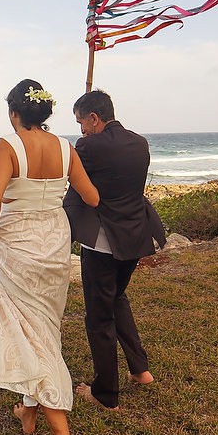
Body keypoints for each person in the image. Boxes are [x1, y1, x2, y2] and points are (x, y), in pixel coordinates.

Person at [0, 78, 100, 435]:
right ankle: (28, 411)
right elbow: (92, 198)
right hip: (54, 242)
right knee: (42, 328)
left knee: (34, 336)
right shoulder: (67, 147)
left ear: (15, 113)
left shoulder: (7, 145)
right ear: (45, 112)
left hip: (17, 244)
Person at [62, 89, 166, 410]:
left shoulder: (88, 146)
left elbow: (78, 182)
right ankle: (140, 370)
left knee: (98, 317)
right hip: (136, 237)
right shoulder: (140, 142)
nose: (81, 130)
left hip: (105, 242)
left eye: (82, 123)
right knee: (117, 298)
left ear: (94, 118)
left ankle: (105, 393)